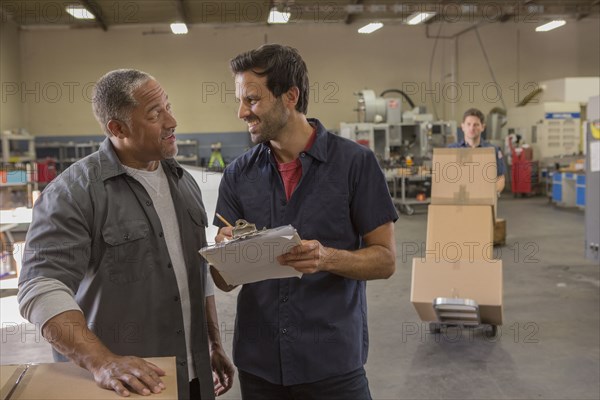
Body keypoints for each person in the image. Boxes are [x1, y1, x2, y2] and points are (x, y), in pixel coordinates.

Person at [17, 69, 234, 399]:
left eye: (168, 106)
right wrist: (103, 362)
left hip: (192, 375)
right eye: (155, 114)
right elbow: (41, 287)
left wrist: (213, 344)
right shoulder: (73, 192)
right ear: (117, 128)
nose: (172, 121)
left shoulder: (184, 182)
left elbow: (197, 272)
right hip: (123, 387)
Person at [211, 44, 398, 399]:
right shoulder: (238, 175)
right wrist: (224, 253)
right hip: (260, 367)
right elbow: (222, 282)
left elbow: (386, 261)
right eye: (239, 100)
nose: (241, 112)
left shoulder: (354, 164)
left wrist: (327, 258)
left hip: (332, 366)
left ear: (290, 96)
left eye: (251, 100)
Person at [449, 108, 506, 193]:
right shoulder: (451, 150)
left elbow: (500, 178)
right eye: (468, 124)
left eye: (476, 125)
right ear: (462, 126)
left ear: (482, 127)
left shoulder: (493, 150)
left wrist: (493, 194)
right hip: (458, 199)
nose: (472, 128)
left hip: (484, 201)